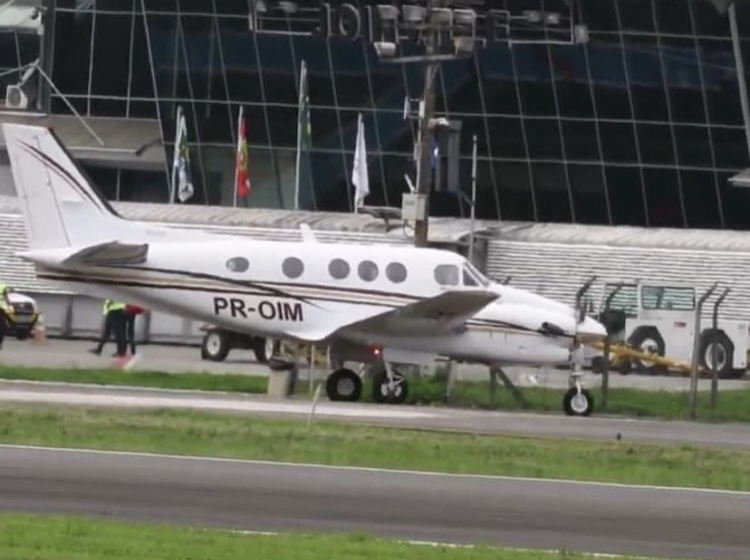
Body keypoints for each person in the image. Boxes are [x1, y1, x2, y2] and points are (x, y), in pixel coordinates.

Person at [0, 282, 10, 351]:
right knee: (2, 327)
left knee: (3, 327)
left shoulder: (2, 286)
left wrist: (10, 305)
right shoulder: (2, 286)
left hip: (2, 309)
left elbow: (6, 297)